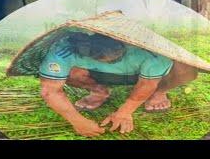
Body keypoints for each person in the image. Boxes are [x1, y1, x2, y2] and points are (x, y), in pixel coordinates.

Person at [39, 31, 198, 137]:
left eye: (114, 54)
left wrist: (124, 112)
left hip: (143, 74)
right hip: (97, 75)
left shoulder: (150, 50)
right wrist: (77, 120)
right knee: (62, 73)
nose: (108, 57)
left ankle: (159, 92)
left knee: (187, 68)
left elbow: (147, 83)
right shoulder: (64, 49)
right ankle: (98, 91)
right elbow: (50, 90)